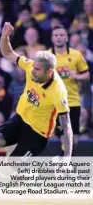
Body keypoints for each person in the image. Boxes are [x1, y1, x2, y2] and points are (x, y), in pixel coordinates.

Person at [0, 22, 73, 198]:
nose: (32, 72)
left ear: (49, 72)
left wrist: (68, 157)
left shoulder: (58, 91)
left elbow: (67, 125)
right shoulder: (30, 66)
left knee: (9, 170)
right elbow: (7, 52)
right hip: (19, 120)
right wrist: (5, 36)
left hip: (37, 135)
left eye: (38, 70)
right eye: (33, 67)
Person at [49, 26, 89, 156]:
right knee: (65, 137)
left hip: (73, 101)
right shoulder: (47, 57)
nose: (59, 38)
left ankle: (60, 161)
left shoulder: (76, 55)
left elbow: (87, 75)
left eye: (61, 35)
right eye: (56, 35)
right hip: (55, 103)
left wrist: (77, 76)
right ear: (52, 38)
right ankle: (63, 167)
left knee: (74, 140)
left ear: (66, 38)